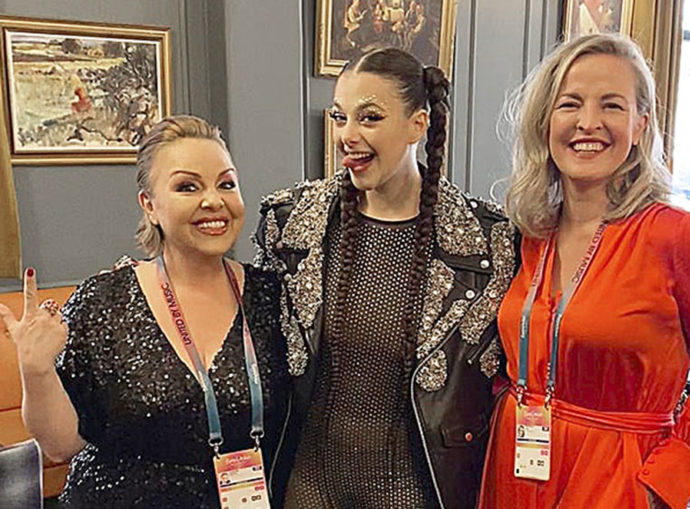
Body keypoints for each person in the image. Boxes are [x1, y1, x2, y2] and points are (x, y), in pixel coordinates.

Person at [478, 33, 690, 509]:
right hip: (514, 465)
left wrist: (667, 478)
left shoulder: (680, 236)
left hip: (617, 478)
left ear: (640, 125)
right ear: (546, 121)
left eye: (611, 105)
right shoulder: (532, 233)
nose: (587, 122)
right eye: (570, 103)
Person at [253, 47, 518, 508]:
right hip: (309, 488)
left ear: (418, 124)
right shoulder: (291, 226)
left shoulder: (488, 243)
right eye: (340, 117)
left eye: (369, 118)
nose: (347, 135)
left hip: (414, 492)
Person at [0, 115, 290, 508]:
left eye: (226, 184)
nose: (213, 201)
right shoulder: (104, 301)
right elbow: (61, 445)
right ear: (149, 205)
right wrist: (35, 369)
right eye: (187, 186)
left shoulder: (272, 297)